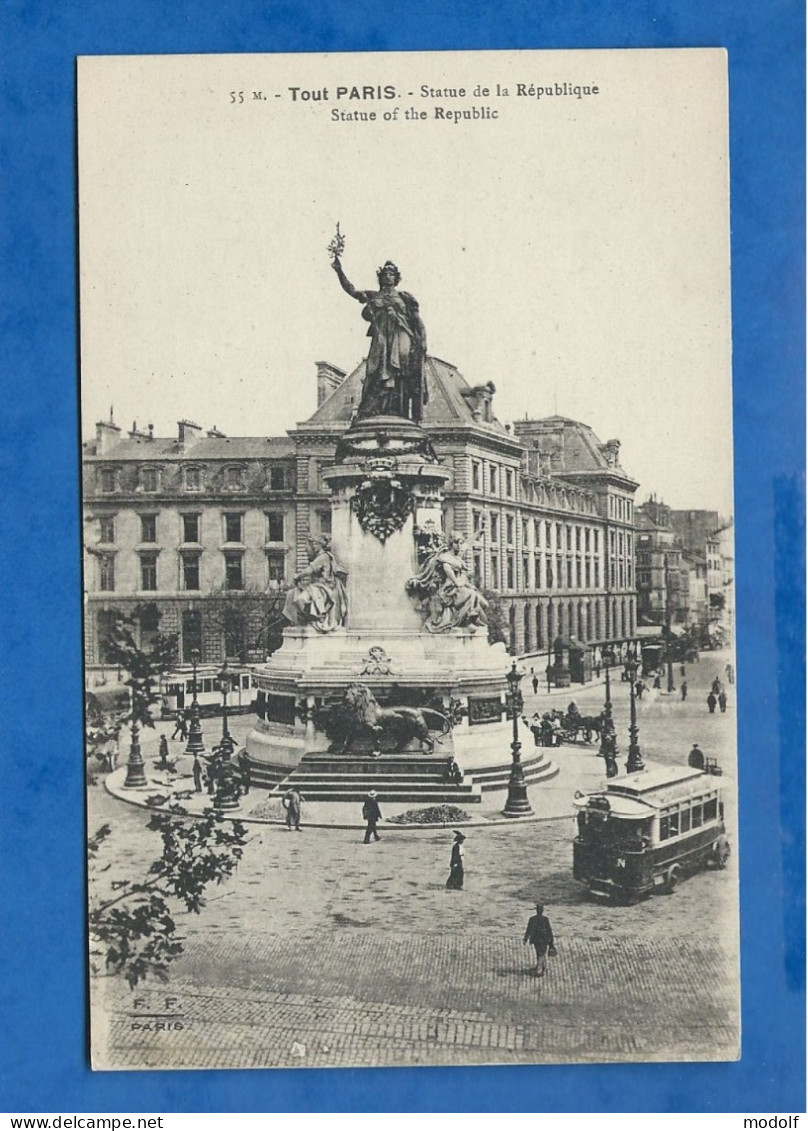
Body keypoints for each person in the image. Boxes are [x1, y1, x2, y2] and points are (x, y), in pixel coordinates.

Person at [332, 256, 428, 421]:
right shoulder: (373, 295)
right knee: (374, 368)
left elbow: (417, 321)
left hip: (400, 333)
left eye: (391, 274)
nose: (388, 276)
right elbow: (352, 291)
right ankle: (377, 406)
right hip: (381, 336)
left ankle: (399, 408)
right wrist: (339, 270)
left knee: (402, 367)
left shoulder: (405, 297)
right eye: (385, 273)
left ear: (396, 278)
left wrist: (423, 339)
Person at [406, 532, 488, 633]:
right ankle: (471, 620)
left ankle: (473, 618)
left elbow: (467, 544)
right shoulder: (445, 558)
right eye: (456, 543)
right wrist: (459, 582)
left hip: (460, 587)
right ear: (451, 543)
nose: (459, 545)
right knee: (472, 595)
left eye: (460, 543)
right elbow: (451, 576)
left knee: (484, 604)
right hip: (448, 590)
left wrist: (478, 532)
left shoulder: (457, 556)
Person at [284, 535, 348, 633]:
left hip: (324, 587)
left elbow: (309, 570)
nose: (313, 546)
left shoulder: (323, 557)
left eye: (316, 543)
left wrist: (298, 576)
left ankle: (317, 617)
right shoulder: (320, 557)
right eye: (312, 543)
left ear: (321, 545)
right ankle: (303, 620)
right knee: (292, 594)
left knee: (302, 598)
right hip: (317, 586)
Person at [523, 903, 556, 977]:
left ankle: (539, 969)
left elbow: (529, 929)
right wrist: (551, 941)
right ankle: (540, 966)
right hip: (544, 939)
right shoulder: (545, 919)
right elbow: (549, 930)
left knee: (540, 953)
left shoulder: (532, 919)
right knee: (541, 953)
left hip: (536, 939)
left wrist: (526, 938)